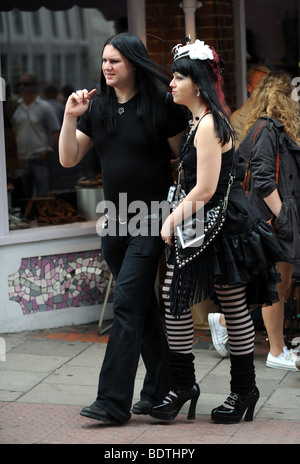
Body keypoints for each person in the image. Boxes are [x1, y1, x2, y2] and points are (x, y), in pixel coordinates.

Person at [149, 39, 283, 424]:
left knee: (232, 307)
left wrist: (170, 220)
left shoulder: (209, 123)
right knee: (174, 302)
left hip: (222, 228)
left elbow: (205, 189)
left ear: (197, 81)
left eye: (177, 77)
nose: (171, 84)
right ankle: (183, 385)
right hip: (200, 226)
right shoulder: (197, 120)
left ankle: (243, 390)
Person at [59, 32, 187, 424]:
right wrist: (69, 117)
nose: (107, 67)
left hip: (151, 217)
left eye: (114, 60)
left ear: (133, 62)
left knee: (127, 304)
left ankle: (113, 402)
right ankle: (167, 387)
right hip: (113, 221)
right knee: (142, 308)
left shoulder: (162, 106)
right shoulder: (96, 109)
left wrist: (176, 216)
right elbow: (68, 159)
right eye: (103, 61)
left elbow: (184, 160)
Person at [210, 71, 300, 371]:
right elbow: (262, 176)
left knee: (274, 285)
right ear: (284, 97)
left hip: (275, 215)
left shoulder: (277, 129)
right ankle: (277, 350)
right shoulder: (268, 128)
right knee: (276, 284)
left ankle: (223, 320)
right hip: (272, 216)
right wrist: (283, 215)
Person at [12, 73, 60, 198]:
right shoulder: (16, 107)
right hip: (22, 158)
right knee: (24, 195)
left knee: (43, 195)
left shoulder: (44, 107)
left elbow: (55, 130)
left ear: (34, 86)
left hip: (40, 157)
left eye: (26, 84)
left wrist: (49, 149)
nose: (22, 87)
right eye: (20, 84)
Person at [230, 65, 269, 147]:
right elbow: (239, 154)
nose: (264, 88)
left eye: (267, 84)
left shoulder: (280, 112)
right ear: (249, 87)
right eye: (259, 83)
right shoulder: (237, 118)